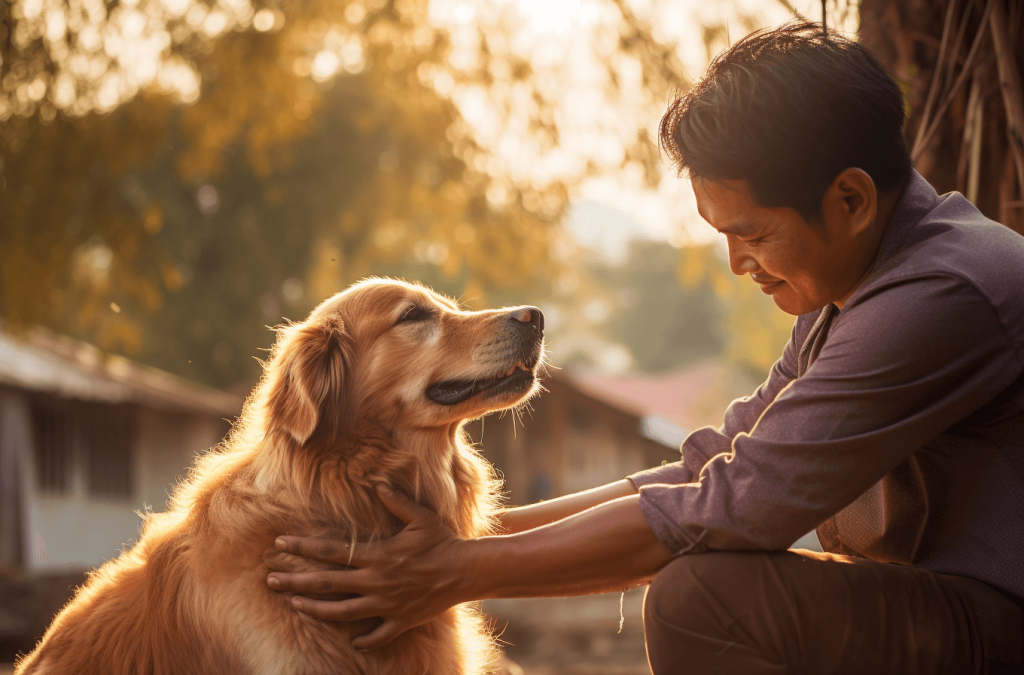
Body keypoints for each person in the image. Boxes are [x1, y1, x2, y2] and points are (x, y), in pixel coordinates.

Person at [266, 21, 1024, 674]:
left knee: (702, 598)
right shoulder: (853, 292)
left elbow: (737, 503)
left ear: (851, 200)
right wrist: (455, 539)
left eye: (752, 234)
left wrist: (452, 571)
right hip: (955, 602)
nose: (738, 263)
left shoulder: (939, 295)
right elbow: (711, 461)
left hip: (1001, 619)